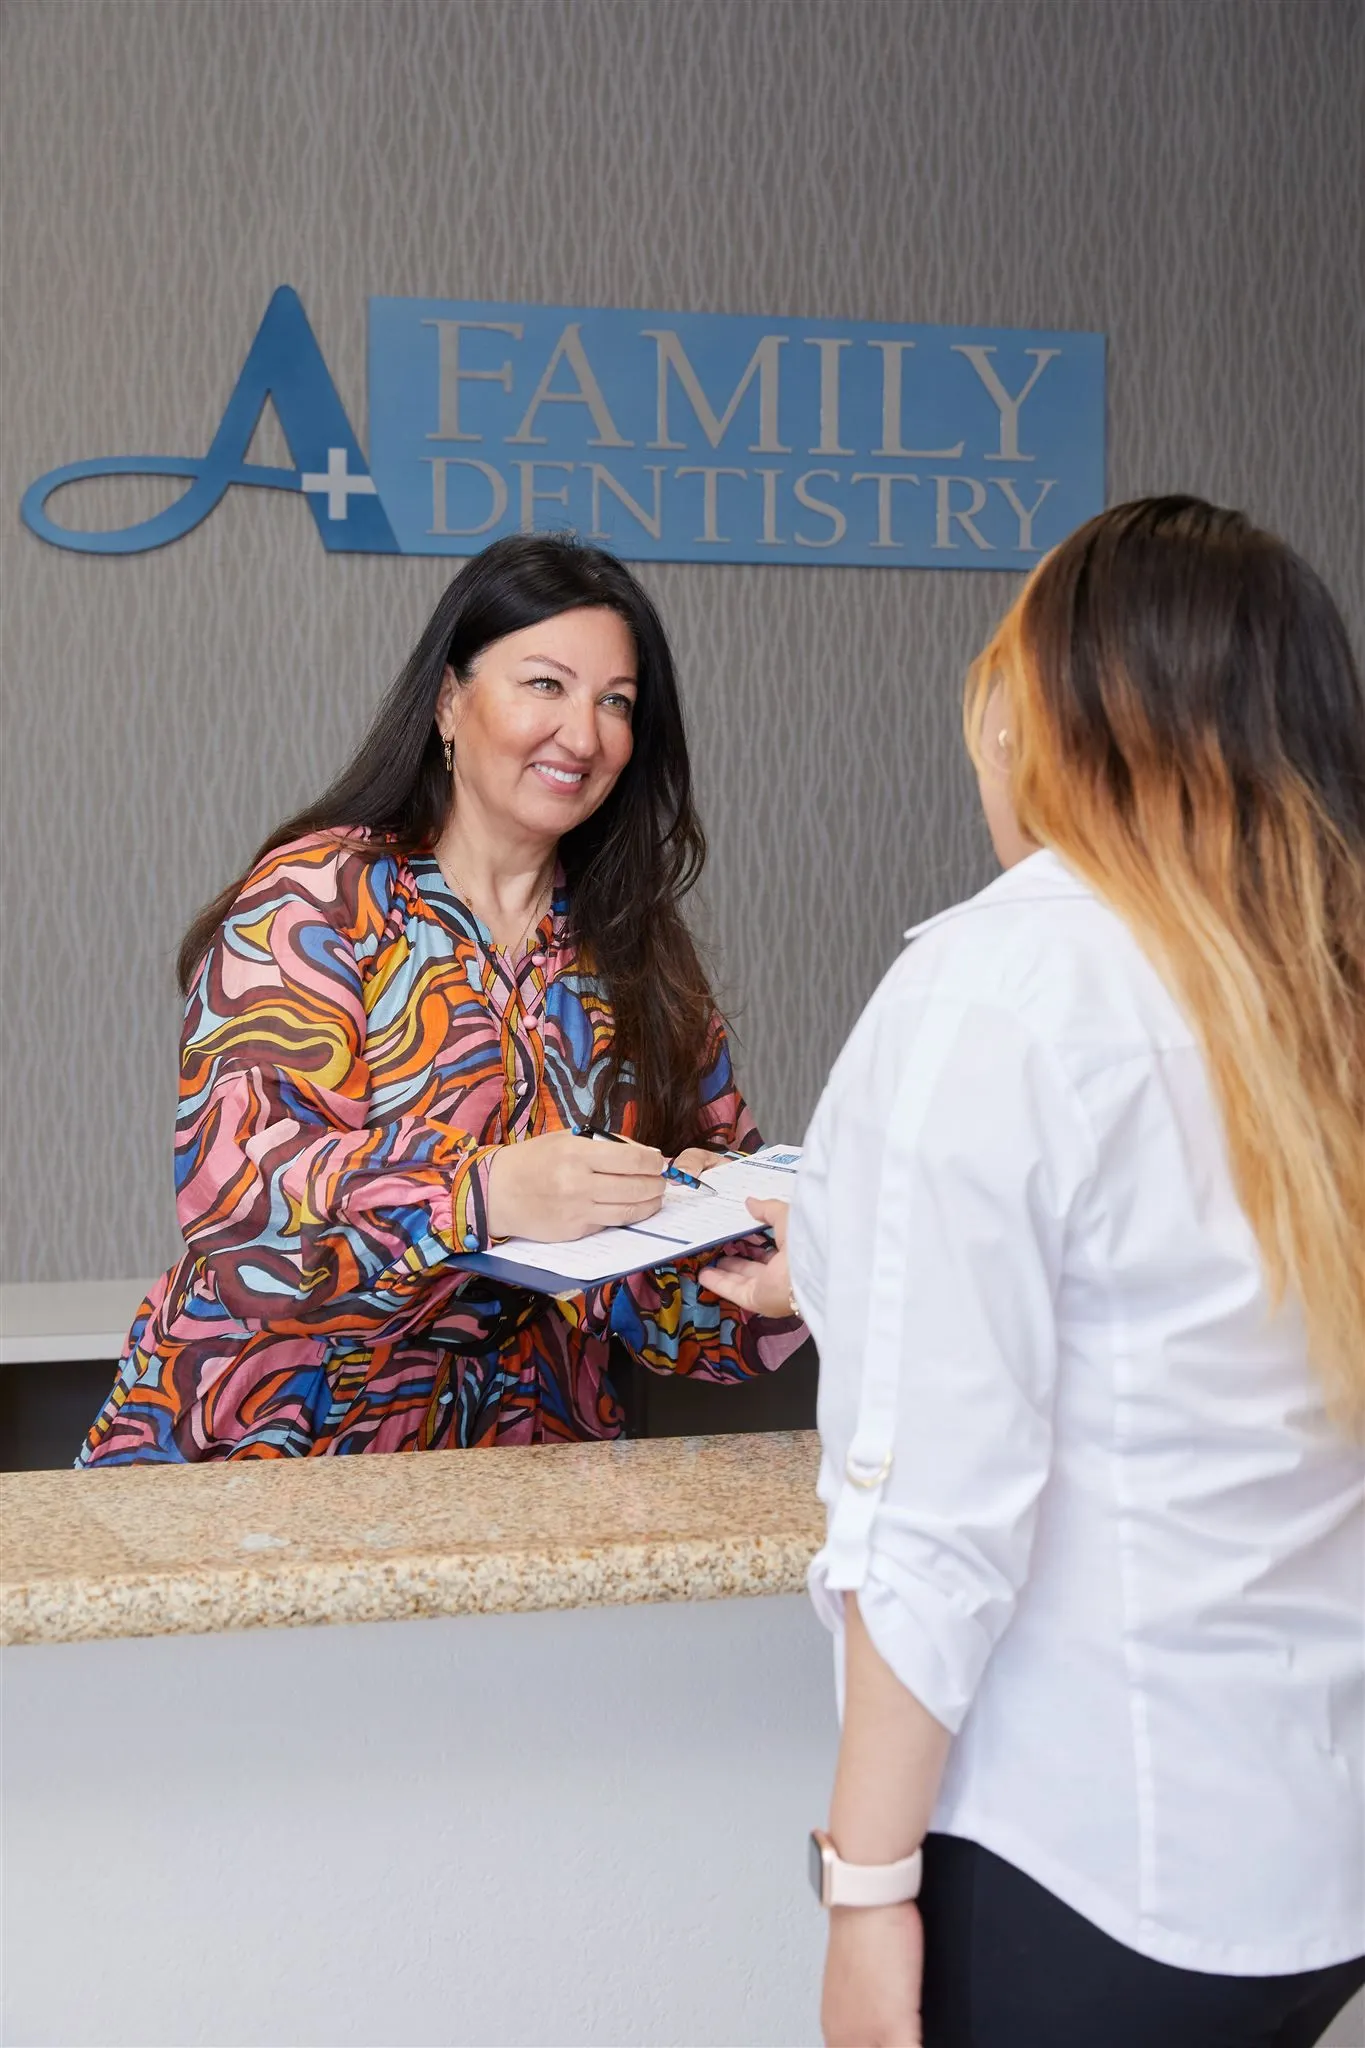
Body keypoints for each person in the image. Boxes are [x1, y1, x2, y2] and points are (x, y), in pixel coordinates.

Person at [703, 498, 1365, 2045]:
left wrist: (862, 1899)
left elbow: (934, 1520)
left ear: (1052, 718)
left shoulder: (999, 984)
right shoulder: (1312, 981)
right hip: (1303, 1867)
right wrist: (860, 1263)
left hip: (1091, 1861)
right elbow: (1205, 1310)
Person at [81, 534, 803, 1462]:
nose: (583, 735)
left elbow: (681, 1321)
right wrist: (488, 1190)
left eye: (614, 702)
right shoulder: (321, 898)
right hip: (264, 1456)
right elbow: (241, 1206)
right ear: (448, 702)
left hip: (527, 1470)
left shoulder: (639, 952)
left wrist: (757, 1256)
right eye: (545, 684)